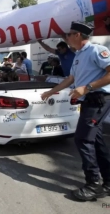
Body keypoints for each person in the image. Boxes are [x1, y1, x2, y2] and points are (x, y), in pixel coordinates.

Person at [41, 21, 110, 201]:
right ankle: (108, 181)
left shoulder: (96, 50)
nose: (66, 38)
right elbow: (70, 79)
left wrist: (86, 87)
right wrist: (50, 92)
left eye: (69, 34)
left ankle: (93, 184)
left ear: (78, 35)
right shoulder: (78, 55)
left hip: (98, 100)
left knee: (82, 139)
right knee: (95, 140)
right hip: (89, 101)